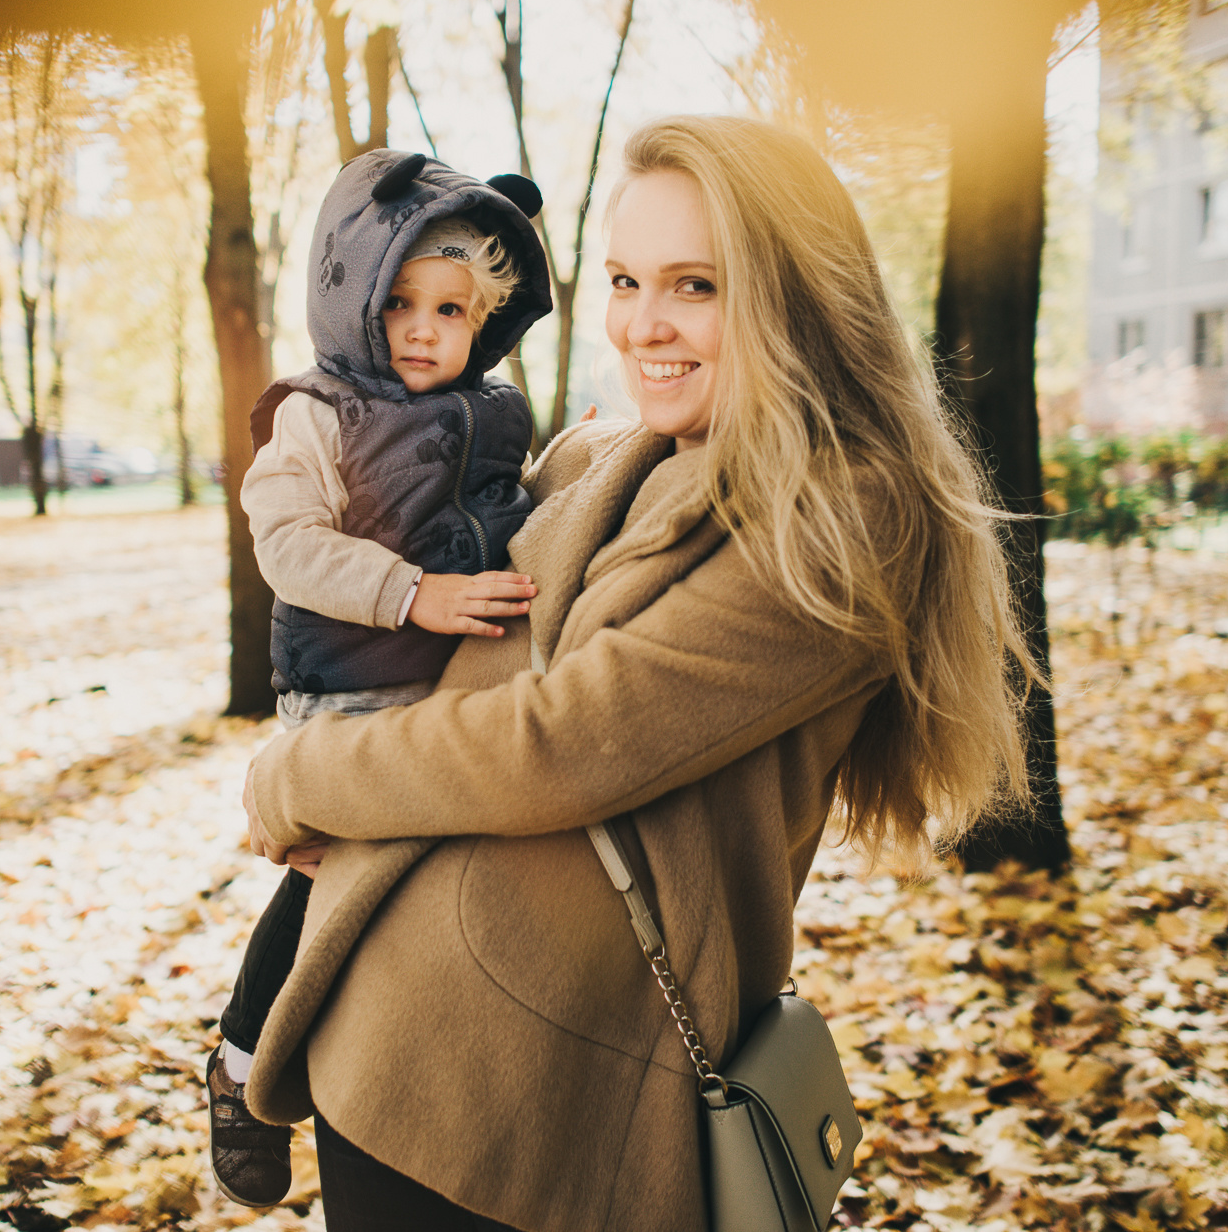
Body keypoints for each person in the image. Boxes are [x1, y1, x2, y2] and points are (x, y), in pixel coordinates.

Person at [236, 115, 1032, 1232]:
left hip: (545, 1096)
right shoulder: (631, 450)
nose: (642, 324)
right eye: (621, 279)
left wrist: (295, 775)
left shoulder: (844, 515)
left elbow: (561, 745)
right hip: (405, 1041)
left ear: (793, 295)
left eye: (694, 285)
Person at [204, 150, 554, 1208]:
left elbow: (515, 514)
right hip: (350, 682)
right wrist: (411, 592)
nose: (419, 328)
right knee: (333, 880)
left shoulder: (493, 413)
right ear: (351, 293)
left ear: (485, 320)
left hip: (454, 693)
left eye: (450, 309)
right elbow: (289, 545)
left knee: (424, 898)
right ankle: (239, 1057)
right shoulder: (318, 413)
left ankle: (413, 1078)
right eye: (397, 300)